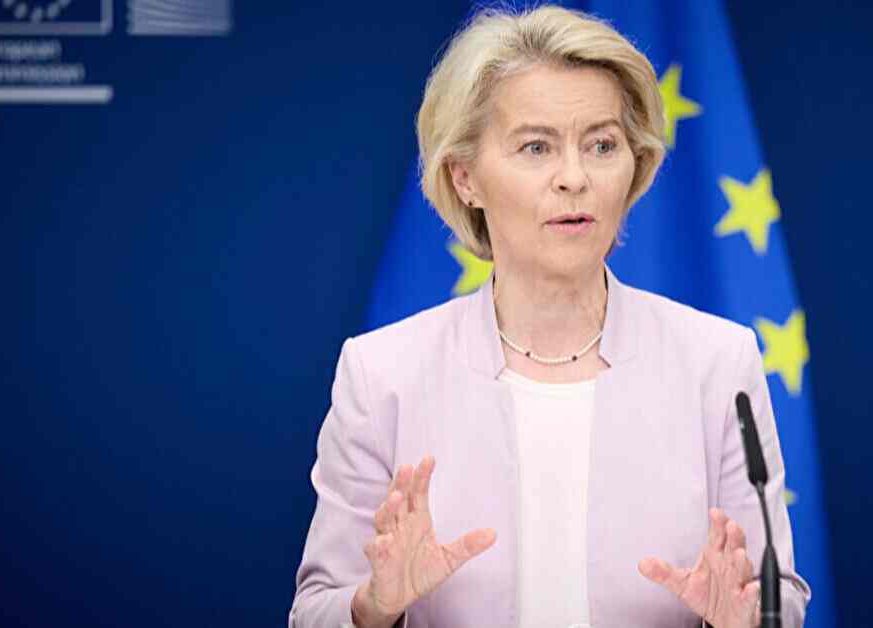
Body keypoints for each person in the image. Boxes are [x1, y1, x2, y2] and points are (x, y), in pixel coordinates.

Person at [289, 5, 810, 628]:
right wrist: (375, 606)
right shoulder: (383, 374)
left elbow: (779, 598)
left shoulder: (717, 363)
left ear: (636, 165)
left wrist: (745, 620)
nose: (574, 178)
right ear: (465, 178)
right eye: (536, 147)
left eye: (602, 145)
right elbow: (315, 610)